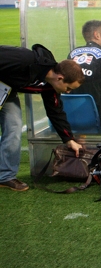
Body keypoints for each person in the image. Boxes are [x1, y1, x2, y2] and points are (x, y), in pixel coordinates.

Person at [0, 44, 85, 191]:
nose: (68, 92)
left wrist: (69, 139)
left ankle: (5, 177)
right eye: (68, 88)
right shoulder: (24, 59)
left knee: (14, 125)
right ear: (60, 78)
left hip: (6, 89)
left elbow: (55, 111)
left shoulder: (50, 86)